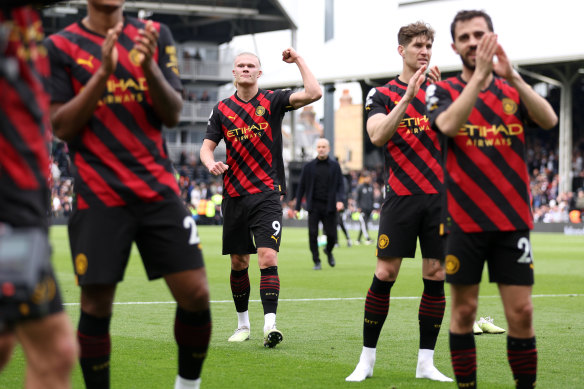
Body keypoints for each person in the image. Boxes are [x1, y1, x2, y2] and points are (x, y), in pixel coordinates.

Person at [44, 1, 211, 388]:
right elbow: (61, 126)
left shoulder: (154, 35)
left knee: (197, 294)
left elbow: (171, 113)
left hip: (157, 188)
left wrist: (149, 65)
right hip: (98, 194)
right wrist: (103, 72)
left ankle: (187, 386)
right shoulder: (60, 46)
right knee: (96, 306)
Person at [426, 9, 558, 388]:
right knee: (464, 312)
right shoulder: (442, 90)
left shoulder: (511, 89)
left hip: (511, 219)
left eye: (479, 34)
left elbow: (548, 120)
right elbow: (448, 126)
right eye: (465, 37)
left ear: (492, 37)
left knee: (522, 313)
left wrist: (511, 74)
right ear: (454, 46)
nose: (472, 42)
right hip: (460, 222)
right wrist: (481, 77)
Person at [346, 21, 452, 382]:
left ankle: (426, 363)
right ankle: (367, 360)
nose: (424, 51)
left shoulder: (444, 92)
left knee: (435, 275)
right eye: (418, 45)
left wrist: (441, 93)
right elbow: (377, 135)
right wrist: (409, 95)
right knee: (384, 273)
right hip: (400, 197)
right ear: (401, 50)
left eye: (428, 46)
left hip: (439, 199)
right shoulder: (381, 94)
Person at [200, 48, 321, 347]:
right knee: (239, 262)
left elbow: (314, 92)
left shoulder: (273, 100)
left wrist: (299, 61)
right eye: (240, 65)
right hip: (234, 195)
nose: (244, 69)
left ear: (259, 72)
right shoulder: (221, 109)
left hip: (266, 193)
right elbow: (205, 148)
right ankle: (243, 325)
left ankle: (271, 325)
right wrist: (210, 163)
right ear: (233, 72)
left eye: (250, 65)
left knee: (267, 257)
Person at [0, 2, 78, 388]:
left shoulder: (24, 16)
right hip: (8, 192)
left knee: (44, 350)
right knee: (52, 350)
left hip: (23, 190)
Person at [294, 138, 345, 270]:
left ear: (328, 148)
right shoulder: (308, 167)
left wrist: (340, 200)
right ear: (316, 149)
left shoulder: (335, 166)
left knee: (332, 236)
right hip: (314, 206)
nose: (321, 149)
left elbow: (340, 185)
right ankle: (316, 261)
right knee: (312, 234)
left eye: (323, 146)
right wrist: (297, 207)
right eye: (319, 147)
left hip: (330, 206)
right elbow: (301, 188)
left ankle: (328, 251)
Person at [354, 171, 374, 245]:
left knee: (364, 225)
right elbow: (356, 198)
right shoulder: (360, 187)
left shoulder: (371, 187)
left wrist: (372, 207)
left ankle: (358, 240)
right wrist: (358, 207)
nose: (369, 179)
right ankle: (368, 238)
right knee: (364, 224)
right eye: (368, 177)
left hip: (369, 209)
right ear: (364, 178)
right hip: (362, 209)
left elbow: (372, 198)